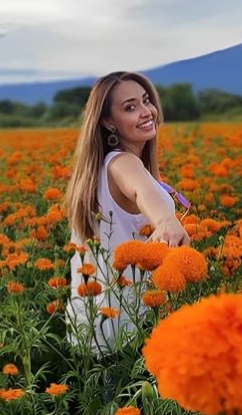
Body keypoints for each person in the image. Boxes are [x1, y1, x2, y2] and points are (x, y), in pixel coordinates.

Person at [63, 71, 190, 355]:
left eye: (146, 101)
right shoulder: (122, 163)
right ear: (108, 122)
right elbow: (140, 191)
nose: (146, 112)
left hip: (92, 329)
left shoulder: (99, 168)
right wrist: (165, 220)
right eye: (130, 107)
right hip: (124, 334)